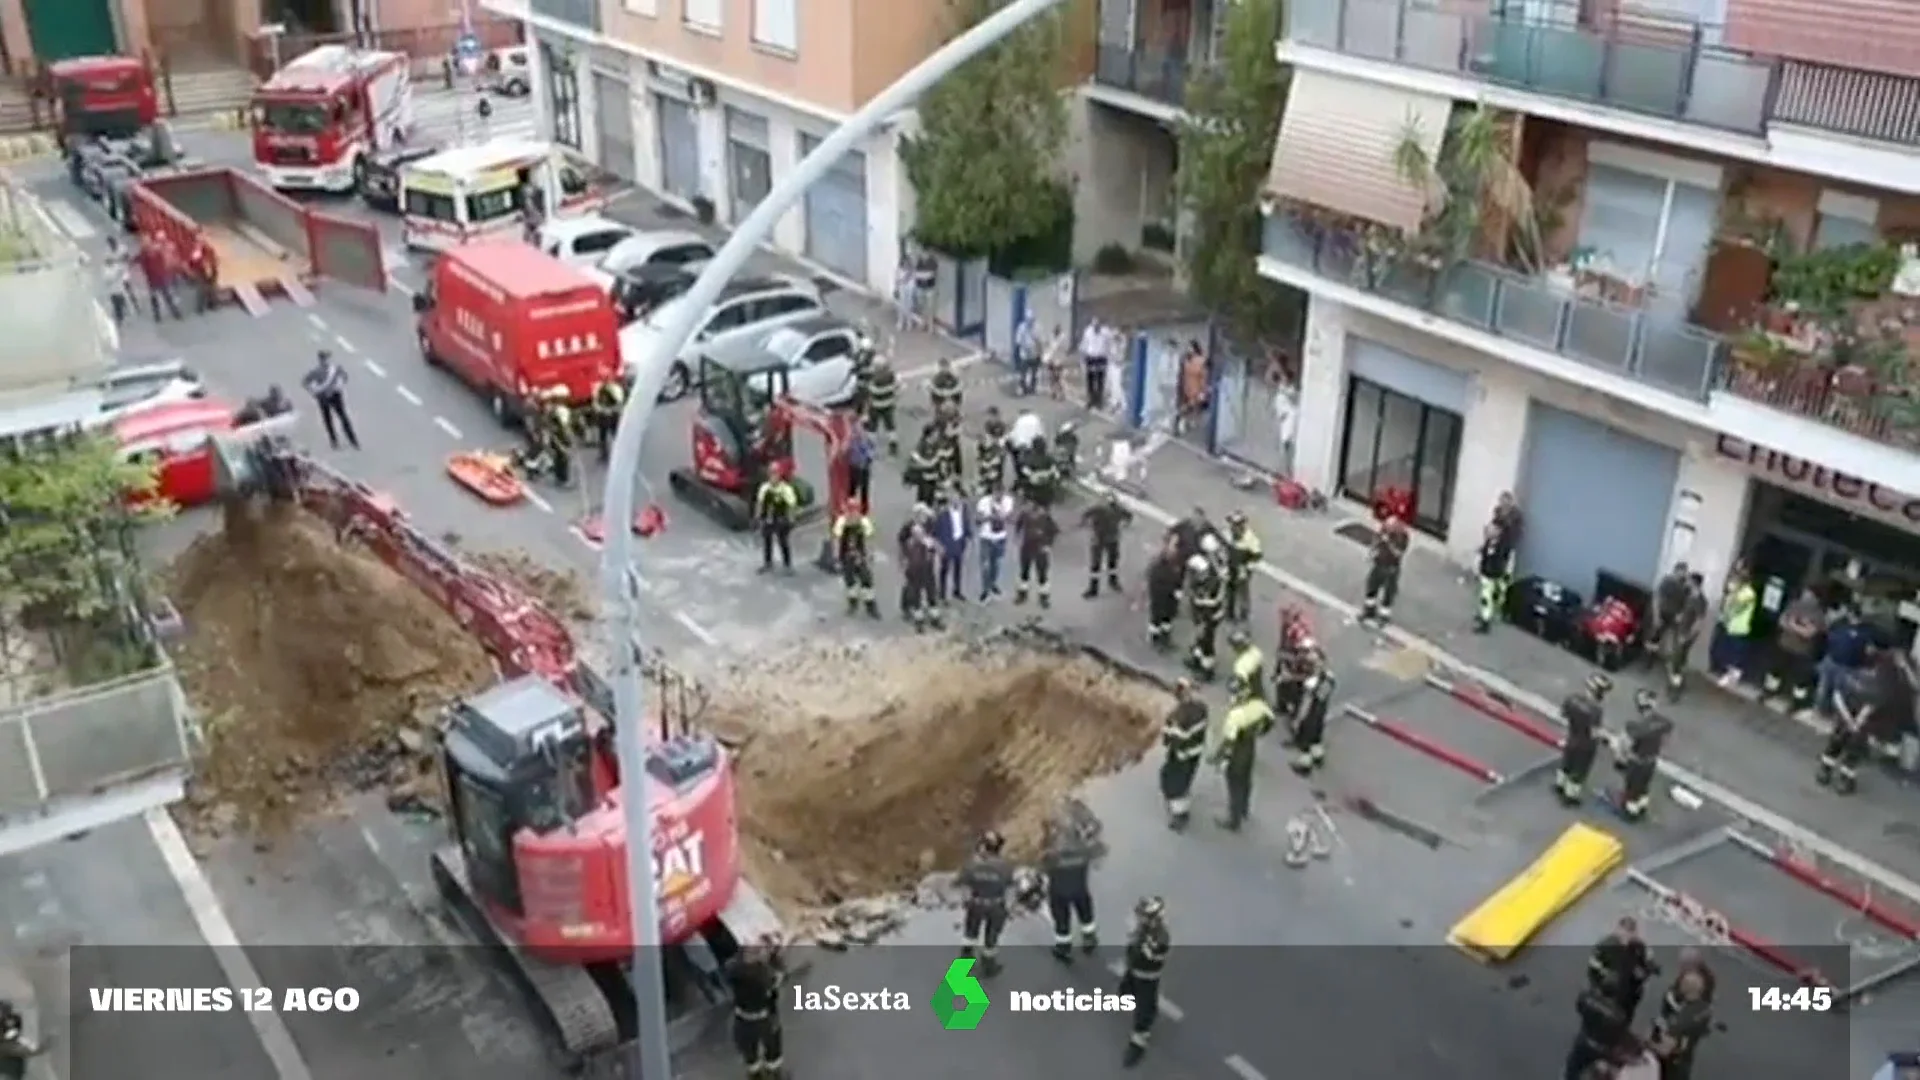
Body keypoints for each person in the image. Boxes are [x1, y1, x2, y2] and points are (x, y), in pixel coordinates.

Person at [1041, 805, 1098, 962]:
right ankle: (1089, 939)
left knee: (1062, 921)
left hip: (1059, 893)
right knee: (1086, 915)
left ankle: (1063, 948)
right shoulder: (1082, 851)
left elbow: (1044, 864)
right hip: (1080, 890)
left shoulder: (1053, 855)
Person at [1119, 896, 1171, 1068]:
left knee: (1145, 1006)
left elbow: (1152, 956)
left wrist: (1140, 941)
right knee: (1126, 990)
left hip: (1147, 976)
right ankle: (1127, 995)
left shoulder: (1160, 938)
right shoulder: (1144, 929)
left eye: (1142, 916)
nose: (1139, 918)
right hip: (1134, 969)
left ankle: (1139, 1040)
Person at [724, 938, 786, 1080]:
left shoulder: (733, 968)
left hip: (742, 1020)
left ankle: (755, 1075)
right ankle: (774, 1073)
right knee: (773, 1050)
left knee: (749, 1053)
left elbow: (732, 965)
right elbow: (779, 978)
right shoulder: (762, 975)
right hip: (764, 1020)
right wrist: (776, 957)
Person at [957, 831, 1014, 976]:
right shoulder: (1005, 866)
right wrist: (1009, 907)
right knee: (991, 936)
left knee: (970, 934)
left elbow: (964, 885)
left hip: (976, 905)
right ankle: (989, 966)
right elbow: (1009, 888)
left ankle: (965, 961)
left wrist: (966, 901)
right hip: (996, 906)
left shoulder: (971, 865)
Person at [1213, 692, 1271, 830]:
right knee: (1245, 781)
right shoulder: (1256, 709)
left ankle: (1234, 820)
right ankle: (1244, 809)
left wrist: (1218, 756)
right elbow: (1269, 721)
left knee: (1235, 785)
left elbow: (1229, 741)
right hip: (1249, 748)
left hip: (1237, 753)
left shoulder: (1235, 716)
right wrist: (1261, 731)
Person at [1762, 586, 1825, 714]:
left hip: (1802, 651)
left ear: (1815, 598)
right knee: (1775, 671)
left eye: (1808, 594)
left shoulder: (1817, 614)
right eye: (1805, 593)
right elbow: (1782, 621)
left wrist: (1793, 626)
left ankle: (1797, 703)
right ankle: (1769, 692)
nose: (1805, 596)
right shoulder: (1794, 605)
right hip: (1784, 644)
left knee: (1800, 680)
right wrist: (1797, 628)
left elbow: (1810, 633)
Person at [1648, 962, 1712, 1080]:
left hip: (1668, 1068)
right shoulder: (1703, 1010)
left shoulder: (1680, 1020)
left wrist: (1647, 1045)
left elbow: (1665, 1050)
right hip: (1684, 1064)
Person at [1614, 690, 1672, 821]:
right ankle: (1642, 807)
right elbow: (1665, 741)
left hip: (1637, 762)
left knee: (1632, 789)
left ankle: (1630, 813)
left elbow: (1625, 745)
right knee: (1644, 786)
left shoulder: (1634, 727)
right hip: (1651, 761)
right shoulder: (1664, 722)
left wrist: (1621, 759)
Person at [1158, 681, 1207, 830]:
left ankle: (1180, 817)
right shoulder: (1201, 709)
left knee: (1174, 784)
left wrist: (1167, 737)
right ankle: (1180, 808)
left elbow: (1173, 736)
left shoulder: (1178, 716)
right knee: (1183, 780)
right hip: (1195, 753)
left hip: (1181, 754)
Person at [1587, 916, 1656, 1019]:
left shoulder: (1641, 950)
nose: (1626, 938)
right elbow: (1593, 969)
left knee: (1621, 1022)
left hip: (1627, 998)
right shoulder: (1605, 946)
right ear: (1618, 931)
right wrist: (1599, 984)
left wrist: (1643, 974)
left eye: (1629, 934)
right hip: (1605, 994)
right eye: (1623, 934)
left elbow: (1649, 968)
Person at [1557, 674, 1610, 805]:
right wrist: (1605, 738)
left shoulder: (1572, 699)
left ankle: (1560, 784)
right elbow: (1593, 732)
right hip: (1586, 746)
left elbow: (1562, 714)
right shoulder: (1596, 710)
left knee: (1567, 763)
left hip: (1572, 737)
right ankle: (1570, 796)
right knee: (1578, 771)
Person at [1564, 978, 1632, 1080]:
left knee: (1573, 1067)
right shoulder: (1618, 1014)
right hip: (1601, 1049)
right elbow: (1618, 1035)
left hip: (1585, 1039)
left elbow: (1579, 1006)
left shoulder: (1587, 999)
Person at [1815, 604, 1874, 718]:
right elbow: (1828, 633)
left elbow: (1870, 649)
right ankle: (1820, 711)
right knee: (1823, 688)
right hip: (1832, 660)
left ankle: (1834, 716)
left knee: (1840, 694)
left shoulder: (1866, 631)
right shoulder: (1840, 623)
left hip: (1848, 667)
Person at [1288, 647, 1335, 776]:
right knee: (1316, 737)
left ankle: (1305, 764)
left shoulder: (1310, 684)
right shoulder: (1329, 678)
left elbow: (1305, 704)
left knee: (1305, 741)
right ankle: (1318, 755)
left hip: (1310, 715)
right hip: (1321, 713)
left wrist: (1297, 720)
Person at [1711, 563, 1758, 687]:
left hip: (1740, 628)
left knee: (1734, 654)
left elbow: (1736, 606)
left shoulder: (1749, 593)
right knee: (1725, 651)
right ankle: (1727, 672)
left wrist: (1732, 596)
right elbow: (1727, 590)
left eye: (1740, 578)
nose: (1737, 580)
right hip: (1730, 625)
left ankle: (1733, 675)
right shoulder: (1737, 589)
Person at [301, 350, 359, 450]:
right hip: (323, 397)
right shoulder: (316, 372)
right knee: (328, 420)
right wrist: (313, 391)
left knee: (343, 417)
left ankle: (353, 440)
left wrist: (340, 384)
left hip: (336, 395)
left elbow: (345, 377)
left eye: (327, 358)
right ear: (320, 360)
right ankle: (334, 441)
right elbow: (305, 382)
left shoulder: (336, 369)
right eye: (323, 359)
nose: (325, 361)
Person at [1360, 517, 1409, 627]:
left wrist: (1389, 542)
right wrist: (1371, 553)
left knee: (1388, 593)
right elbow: (1376, 543)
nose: (1386, 530)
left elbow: (1398, 553)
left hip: (1391, 569)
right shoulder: (1383, 532)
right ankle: (1369, 611)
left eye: (1389, 528)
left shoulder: (1402, 537)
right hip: (1378, 564)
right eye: (1386, 527)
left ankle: (1384, 617)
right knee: (1371, 587)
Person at [832, 502, 878, 618]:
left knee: (866, 580)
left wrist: (871, 554)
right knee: (850, 581)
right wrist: (836, 558)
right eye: (850, 510)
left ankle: (870, 606)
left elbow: (870, 538)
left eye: (855, 510)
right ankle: (853, 604)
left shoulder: (863, 521)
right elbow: (836, 539)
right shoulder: (841, 522)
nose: (852, 514)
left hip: (860, 555)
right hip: (846, 556)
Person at [1184, 552, 1226, 679]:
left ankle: (1208, 671)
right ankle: (1197, 660)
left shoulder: (1211, 584)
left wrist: (1203, 622)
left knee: (1207, 642)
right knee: (1198, 639)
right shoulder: (1199, 582)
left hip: (1210, 617)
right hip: (1202, 616)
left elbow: (1212, 603)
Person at [1081, 492, 1131, 598]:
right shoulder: (1113, 508)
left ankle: (1098, 587)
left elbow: (1086, 514)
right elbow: (1129, 516)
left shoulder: (1101, 508)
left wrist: (1086, 523)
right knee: (1105, 564)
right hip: (1105, 539)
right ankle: (1107, 584)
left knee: (1103, 564)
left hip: (1105, 539)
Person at [754, 463, 800, 573]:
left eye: (775, 474)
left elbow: (792, 505)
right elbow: (760, 503)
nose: (773, 476)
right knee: (767, 541)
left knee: (783, 542)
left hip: (781, 519)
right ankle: (768, 563)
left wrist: (791, 519)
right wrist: (757, 517)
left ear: (779, 475)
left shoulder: (786, 489)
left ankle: (787, 565)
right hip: (768, 518)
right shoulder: (764, 488)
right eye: (771, 474)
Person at [899, 514, 942, 631]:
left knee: (932, 597)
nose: (919, 536)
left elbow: (940, 551)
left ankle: (935, 619)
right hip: (914, 575)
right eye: (916, 534)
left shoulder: (928, 543)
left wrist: (932, 546)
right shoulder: (909, 544)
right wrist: (905, 570)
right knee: (916, 599)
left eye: (920, 533)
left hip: (928, 574)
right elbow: (904, 559)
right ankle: (919, 622)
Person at [1474, 519, 1517, 633]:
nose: (1489, 530)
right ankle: (1485, 616)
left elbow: (1509, 560)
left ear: (1499, 531)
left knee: (1488, 598)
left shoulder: (1504, 545)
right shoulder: (1490, 541)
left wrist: (1507, 574)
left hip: (1495, 574)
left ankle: (1486, 622)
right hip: (1488, 573)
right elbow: (1485, 555)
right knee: (1485, 597)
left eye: (1492, 528)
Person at [1014, 500, 1058, 608]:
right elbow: (1018, 526)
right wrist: (1017, 538)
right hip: (1027, 547)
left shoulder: (1046, 517)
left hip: (1041, 549)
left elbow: (1054, 531)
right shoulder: (1024, 514)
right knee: (1024, 572)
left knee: (1042, 574)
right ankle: (1022, 594)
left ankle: (1044, 597)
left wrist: (1048, 545)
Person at [1145, 535, 1183, 650]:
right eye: (1173, 545)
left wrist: (1178, 590)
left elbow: (1178, 576)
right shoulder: (1159, 563)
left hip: (1170, 595)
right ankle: (1155, 637)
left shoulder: (1176, 559)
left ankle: (1165, 637)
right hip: (1160, 595)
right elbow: (1155, 580)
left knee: (1168, 616)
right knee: (1157, 616)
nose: (1175, 548)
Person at [1224, 511, 1262, 623]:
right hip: (1231, 566)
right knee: (1230, 589)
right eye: (1232, 524)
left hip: (1243, 568)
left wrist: (1247, 568)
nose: (1233, 527)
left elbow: (1257, 556)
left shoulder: (1250, 539)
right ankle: (1229, 612)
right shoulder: (1228, 534)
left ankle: (1244, 613)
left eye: (1236, 524)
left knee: (1242, 591)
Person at [933, 491, 970, 605]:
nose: (956, 502)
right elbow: (937, 531)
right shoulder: (942, 514)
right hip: (947, 544)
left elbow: (965, 524)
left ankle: (957, 590)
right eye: (953, 499)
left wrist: (968, 538)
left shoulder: (963, 511)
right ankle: (942, 594)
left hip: (959, 543)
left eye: (957, 499)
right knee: (944, 570)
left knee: (958, 569)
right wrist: (939, 546)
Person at [975, 488, 1013, 601]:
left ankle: (992, 584)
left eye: (1001, 495)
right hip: (986, 537)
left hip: (1000, 537)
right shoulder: (984, 502)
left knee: (997, 564)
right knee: (985, 566)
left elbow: (1011, 518)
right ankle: (985, 590)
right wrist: (988, 518)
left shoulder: (1008, 501)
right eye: (997, 494)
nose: (999, 497)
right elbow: (977, 519)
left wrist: (1004, 516)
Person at [863, 354, 900, 455]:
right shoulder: (891, 376)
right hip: (888, 405)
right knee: (890, 426)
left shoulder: (874, 381)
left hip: (875, 407)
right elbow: (896, 386)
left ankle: (870, 448)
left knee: (872, 428)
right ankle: (893, 446)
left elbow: (870, 393)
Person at [590, 377, 625, 463]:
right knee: (603, 436)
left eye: (608, 378)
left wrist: (612, 410)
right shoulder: (599, 389)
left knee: (616, 435)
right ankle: (604, 455)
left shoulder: (616, 389)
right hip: (603, 416)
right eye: (605, 379)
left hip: (613, 415)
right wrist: (601, 410)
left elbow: (620, 403)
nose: (606, 380)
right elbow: (595, 403)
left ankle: (621, 452)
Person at [1227, 628, 1264, 706]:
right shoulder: (1256, 652)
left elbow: (1240, 684)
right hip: (1258, 689)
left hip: (1248, 696)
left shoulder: (1240, 665)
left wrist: (1235, 700)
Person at [1079, 317, 1110, 410]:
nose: (1096, 328)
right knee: (1090, 379)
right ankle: (1091, 400)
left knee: (1100, 379)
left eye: (1098, 326)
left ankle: (1099, 400)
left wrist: (1108, 356)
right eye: (1094, 326)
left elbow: (1109, 344)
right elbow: (1084, 344)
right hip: (1091, 357)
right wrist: (1083, 357)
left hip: (1101, 357)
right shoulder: (1088, 332)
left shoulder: (1106, 333)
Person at [976, 407, 1009, 493]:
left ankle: (998, 486)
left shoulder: (1000, 425)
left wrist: (996, 442)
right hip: (990, 449)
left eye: (990, 415)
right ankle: (988, 485)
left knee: (998, 468)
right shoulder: (988, 424)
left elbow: (1003, 437)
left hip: (998, 449)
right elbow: (987, 435)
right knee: (987, 467)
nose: (988, 417)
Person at [905, 428, 941, 506]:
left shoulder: (936, 444)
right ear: (930, 435)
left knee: (931, 496)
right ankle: (921, 509)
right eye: (935, 434)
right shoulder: (922, 444)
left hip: (933, 475)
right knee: (923, 495)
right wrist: (927, 463)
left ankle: (928, 508)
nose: (937, 435)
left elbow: (939, 455)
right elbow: (915, 456)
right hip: (924, 475)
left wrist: (934, 461)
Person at [844, 423, 875, 510]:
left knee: (864, 487)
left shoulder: (868, 438)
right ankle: (851, 502)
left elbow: (871, 449)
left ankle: (864, 506)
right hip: (855, 465)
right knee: (853, 485)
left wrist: (869, 457)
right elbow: (848, 449)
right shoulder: (852, 439)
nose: (860, 432)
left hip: (863, 466)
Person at [1013, 312, 1040, 396]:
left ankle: (1032, 388)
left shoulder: (1036, 327)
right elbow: (1018, 341)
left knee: (1034, 372)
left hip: (1034, 353)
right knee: (1023, 372)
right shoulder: (1022, 328)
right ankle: (1023, 388)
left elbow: (1039, 340)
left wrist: (1039, 352)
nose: (1031, 322)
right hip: (1025, 354)